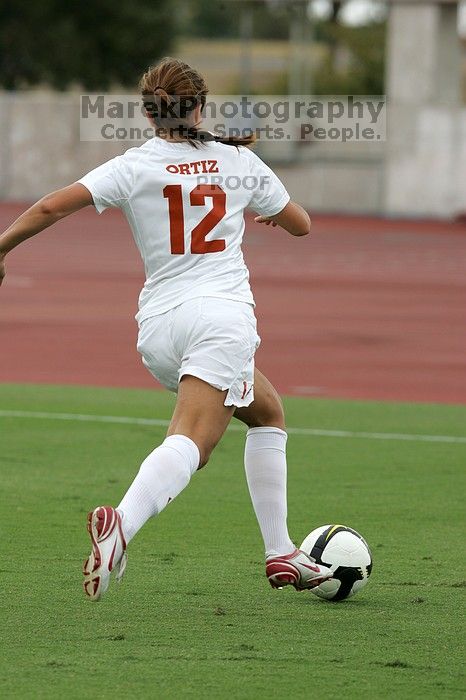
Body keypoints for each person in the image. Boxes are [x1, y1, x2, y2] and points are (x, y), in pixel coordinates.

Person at [0, 57, 332, 600]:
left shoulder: (134, 165)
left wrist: (1, 249)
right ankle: (122, 525)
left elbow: (48, 207)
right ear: (199, 106)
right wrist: (271, 212)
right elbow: (302, 225)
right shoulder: (238, 160)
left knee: (267, 411)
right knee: (192, 443)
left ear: (150, 116)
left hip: (158, 328)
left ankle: (281, 552)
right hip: (220, 320)